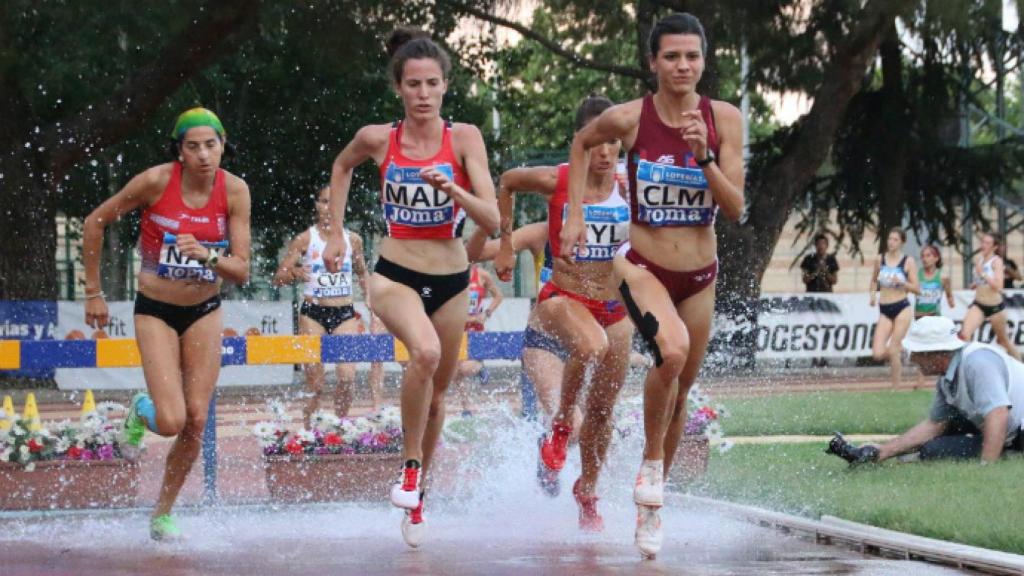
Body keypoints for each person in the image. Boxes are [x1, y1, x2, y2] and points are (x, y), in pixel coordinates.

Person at [562, 13, 745, 558]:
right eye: (671, 56)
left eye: (691, 56)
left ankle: (650, 498)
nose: (682, 66)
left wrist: (705, 156)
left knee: (682, 385)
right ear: (653, 63)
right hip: (642, 268)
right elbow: (580, 142)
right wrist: (575, 215)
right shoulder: (630, 118)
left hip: (700, 275)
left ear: (703, 61)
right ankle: (649, 466)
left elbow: (735, 208)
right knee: (671, 352)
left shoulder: (725, 119)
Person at [320, 28, 498, 548]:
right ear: (398, 88)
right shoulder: (380, 138)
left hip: (451, 274)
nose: (423, 93)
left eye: (432, 84)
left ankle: (419, 495)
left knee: (439, 396)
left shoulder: (464, 139)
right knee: (424, 353)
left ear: (446, 87)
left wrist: (454, 189)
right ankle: (411, 467)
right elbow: (341, 166)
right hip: (394, 271)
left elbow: (492, 217)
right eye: (413, 84)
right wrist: (334, 231)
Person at [82, 107, 251, 540]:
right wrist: (94, 292)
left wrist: (209, 257)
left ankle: (162, 513)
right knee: (172, 419)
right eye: (192, 147)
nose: (203, 155)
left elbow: (242, 270)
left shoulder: (234, 191)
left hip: (205, 311)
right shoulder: (156, 182)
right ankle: (142, 408)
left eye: (210, 145)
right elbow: (94, 221)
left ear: (222, 144)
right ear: (179, 151)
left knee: (196, 419)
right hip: (155, 309)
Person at [496, 95, 633, 532]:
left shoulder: (631, 184)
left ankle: (587, 490)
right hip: (561, 301)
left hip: (614, 307)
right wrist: (501, 243)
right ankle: (558, 424)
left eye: (614, 142)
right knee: (591, 345)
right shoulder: (557, 180)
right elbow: (507, 181)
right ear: (582, 142)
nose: (606, 152)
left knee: (603, 414)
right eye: (597, 142)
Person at [827, 316, 1024, 464]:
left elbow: (998, 414)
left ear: (936, 354)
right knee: (935, 445)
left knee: (935, 451)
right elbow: (935, 425)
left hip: (1018, 432)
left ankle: (1008, 453)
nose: (912, 360)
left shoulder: (976, 364)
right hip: (1010, 428)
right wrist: (884, 451)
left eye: (917, 353)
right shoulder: (947, 378)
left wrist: (986, 467)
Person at [272, 186, 369, 424]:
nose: (329, 208)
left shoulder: (353, 240)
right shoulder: (305, 239)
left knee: (347, 377)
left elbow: (362, 272)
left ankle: (339, 425)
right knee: (316, 383)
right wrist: (294, 272)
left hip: (344, 313)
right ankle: (309, 428)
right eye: (325, 202)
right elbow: (278, 277)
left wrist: (371, 299)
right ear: (317, 205)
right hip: (313, 314)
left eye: (335, 202)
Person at [869, 228, 920, 388]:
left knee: (892, 350)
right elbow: (873, 281)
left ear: (902, 242)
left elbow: (917, 288)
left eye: (895, 239)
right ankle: (901, 350)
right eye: (890, 239)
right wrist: (872, 296)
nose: (891, 242)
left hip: (901, 307)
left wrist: (903, 283)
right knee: (877, 353)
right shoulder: (880, 259)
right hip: (884, 309)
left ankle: (895, 388)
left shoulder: (908, 261)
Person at [961, 232, 1021, 361]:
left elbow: (999, 286)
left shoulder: (996, 262)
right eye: (983, 242)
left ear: (994, 247)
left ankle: (1021, 367)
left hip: (995, 307)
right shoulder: (980, 260)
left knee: (1003, 341)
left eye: (987, 243)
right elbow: (983, 281)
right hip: (979, 304)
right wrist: (975, 283)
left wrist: (982, 274)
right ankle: (965, 368)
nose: (983, 245)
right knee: (965, 335)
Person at [453, 263, 503, 416]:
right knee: (455, 371)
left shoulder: (481, 275)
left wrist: (486, 314)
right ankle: (467, 407)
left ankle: (480, 367)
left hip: (476, 329)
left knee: (465, 368)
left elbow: (498, 296)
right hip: (456, 329)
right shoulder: (450, 273)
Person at [914, 245, 953, 320]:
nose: (924, 259)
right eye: (922, 256)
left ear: (936, 258)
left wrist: (950, 301)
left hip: (935, 317)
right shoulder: (916, 275)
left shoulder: (943, 276)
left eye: (928, 256)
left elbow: (949, 295)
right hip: (919, 317)